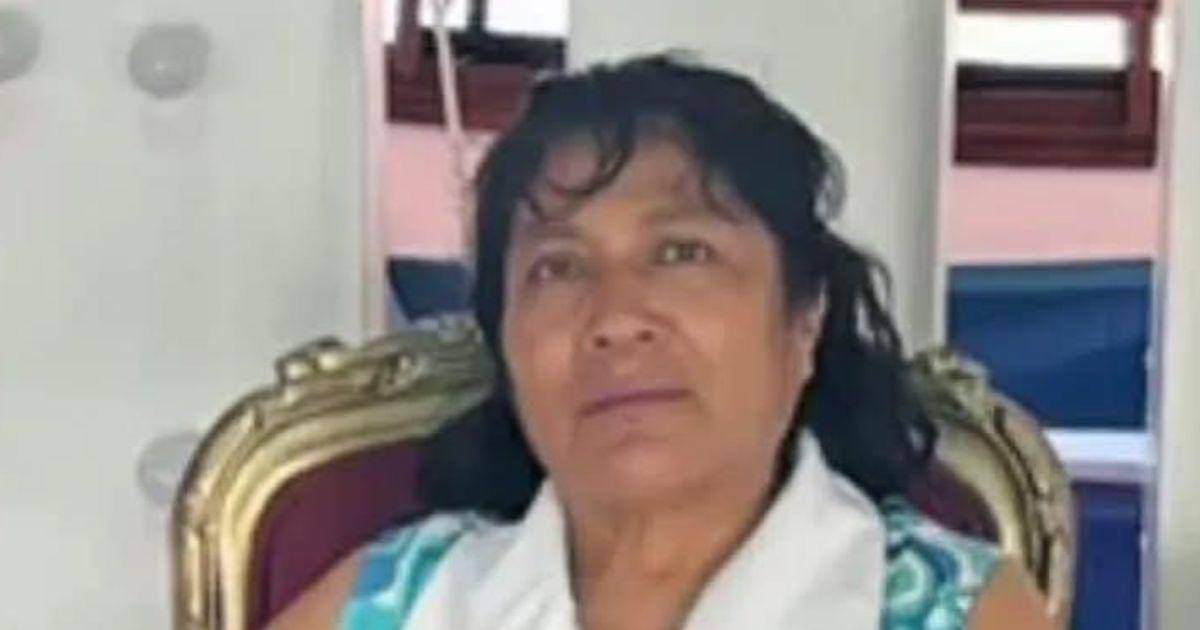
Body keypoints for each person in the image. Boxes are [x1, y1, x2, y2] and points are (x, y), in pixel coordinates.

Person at [269, 55, 1054, 630]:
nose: (616, 317)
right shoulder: (394, 602)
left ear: (804, 319)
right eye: (557, 268)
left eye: (682, 253)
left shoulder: (950, 610)